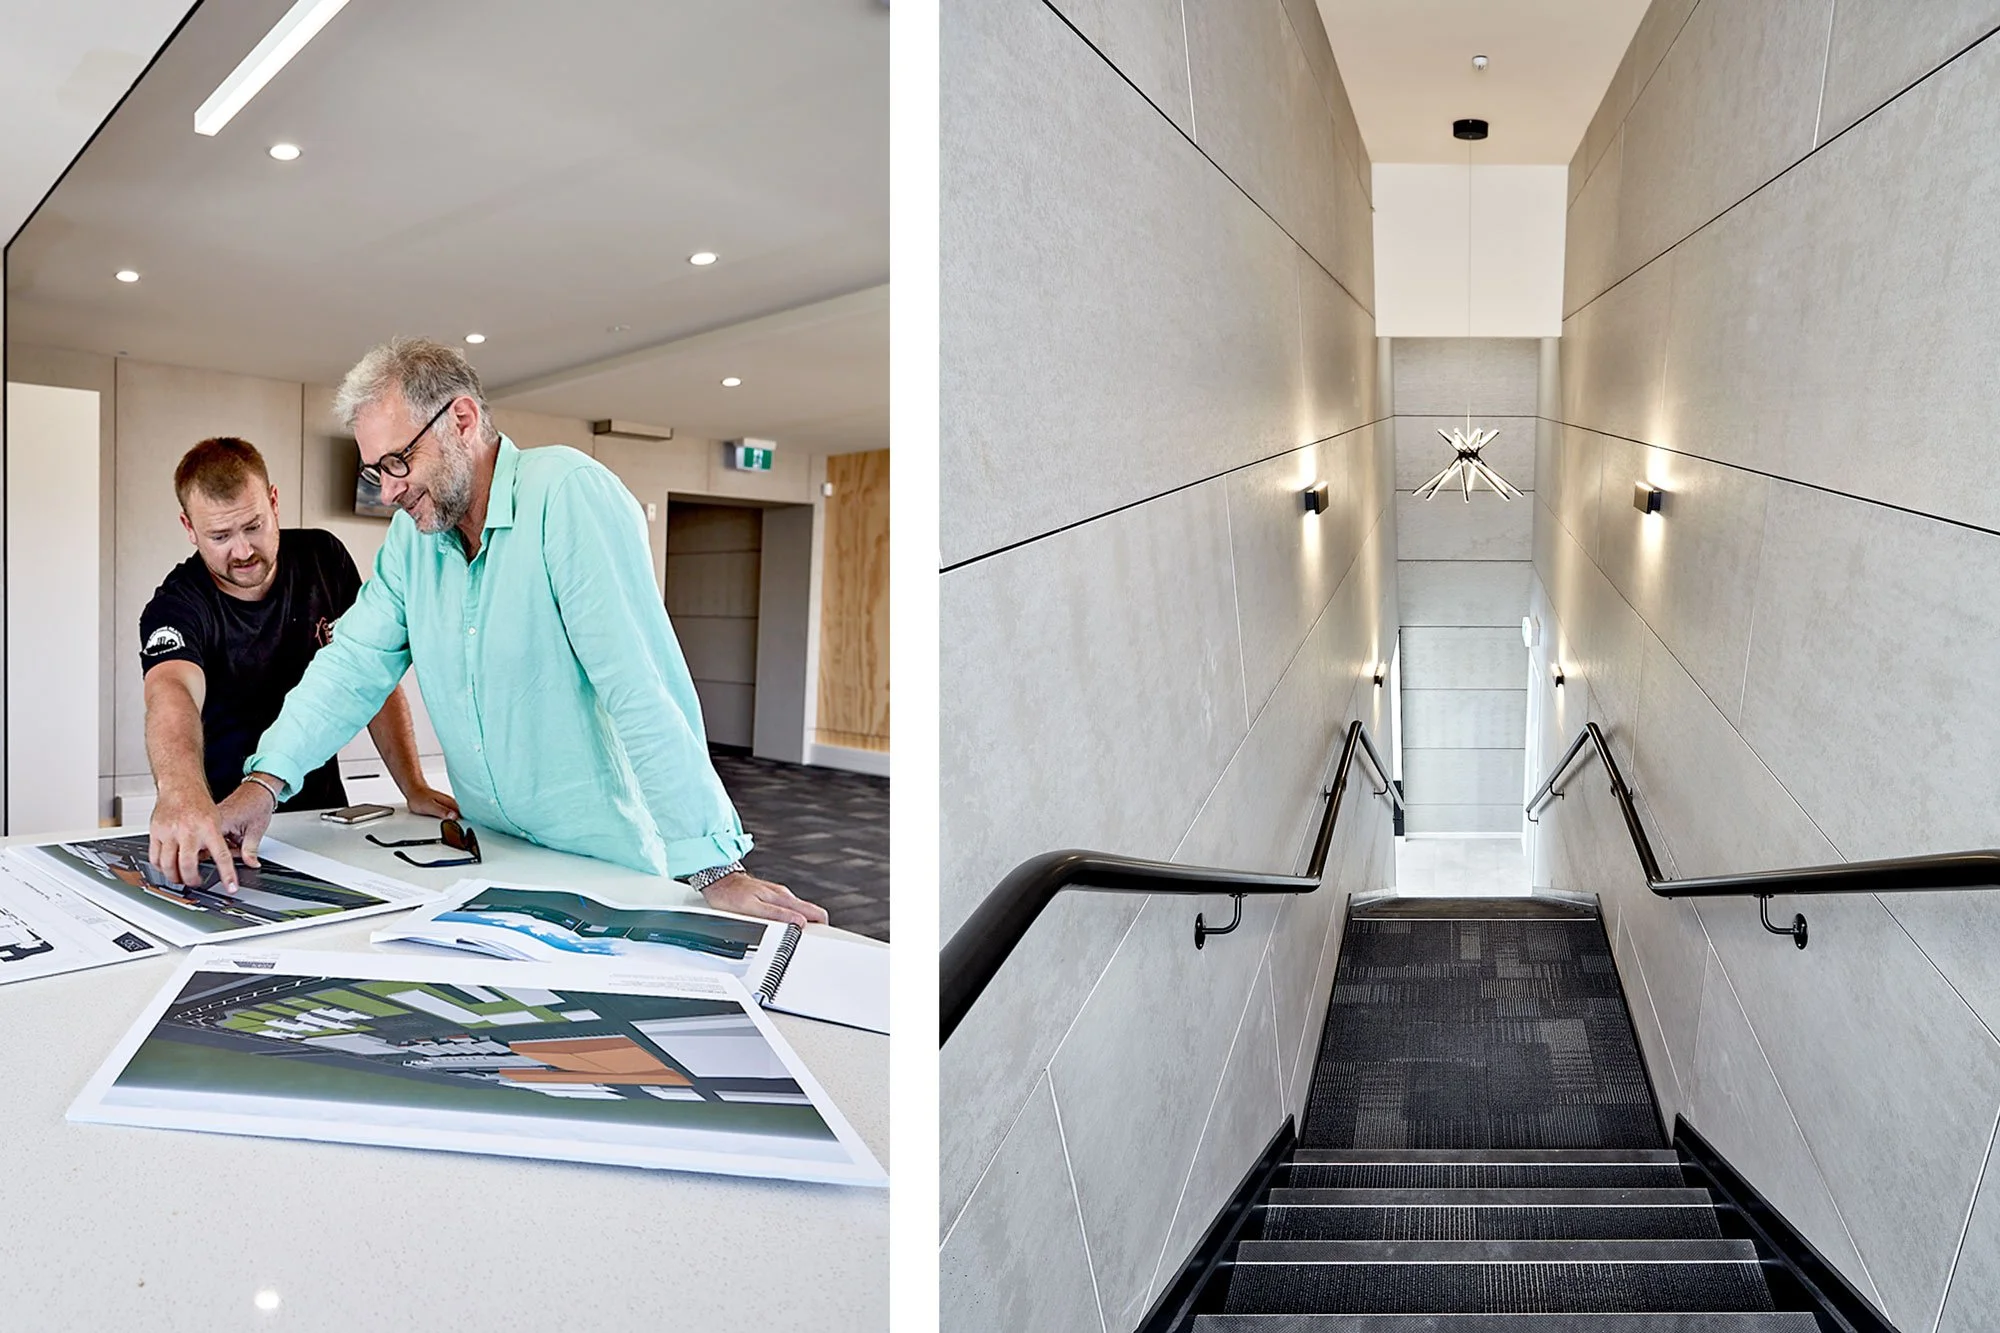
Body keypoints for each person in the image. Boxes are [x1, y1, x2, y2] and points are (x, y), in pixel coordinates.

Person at [211, 338, 825, 926]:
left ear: (462, 419)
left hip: (607, 863)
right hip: (498, 856)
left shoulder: (564, 495)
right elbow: (353, 665)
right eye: (376, 471)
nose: (390, 490)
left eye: (398, 461)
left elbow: (639, 686)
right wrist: (265, 781)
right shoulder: (413, 543)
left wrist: (715, 868)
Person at [143, 436, 456, 887]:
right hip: (223, 824)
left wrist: (413, 786)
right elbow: (171, 694)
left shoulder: (323, 558)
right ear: (189, 528)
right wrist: (179, 793)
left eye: (253, 526)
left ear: (274, 502)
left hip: (322, 817)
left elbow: (370, 678)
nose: (243, 550)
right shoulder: (177, 605)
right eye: (220, 536)